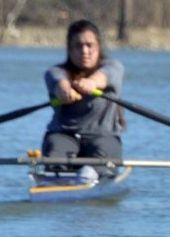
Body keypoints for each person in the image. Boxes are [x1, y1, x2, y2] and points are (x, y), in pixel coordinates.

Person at [41, 19, 124, 179]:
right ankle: (55, 176)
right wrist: (64, 90)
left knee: (102, 153)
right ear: (70, 50)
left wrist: (91, 83)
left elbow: (105, 76)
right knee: (54, 151)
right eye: (78, 46)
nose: (84, 51)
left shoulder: (113, 67)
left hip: (103, 136)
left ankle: (91, 174)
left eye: (89, 45)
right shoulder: (55, 72)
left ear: (98, 46)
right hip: (64, 135)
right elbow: (58, 81)